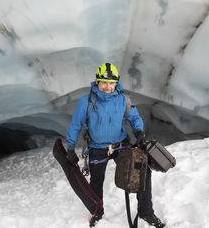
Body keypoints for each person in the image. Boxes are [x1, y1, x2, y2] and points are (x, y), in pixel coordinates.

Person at [66, 63, 165, 227]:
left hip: (120, 146)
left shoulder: (123, 99)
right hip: (98, 148)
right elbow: (75, 125)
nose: (107, 87)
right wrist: (70, 148)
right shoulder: (87, 102)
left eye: (111, 83)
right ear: (97, 81)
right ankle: (98, 214)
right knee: (96, 182)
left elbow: (134, 117)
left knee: (143, 172)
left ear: (116, 82)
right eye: (104, 82)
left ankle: (146, 212)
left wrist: (139, 132)